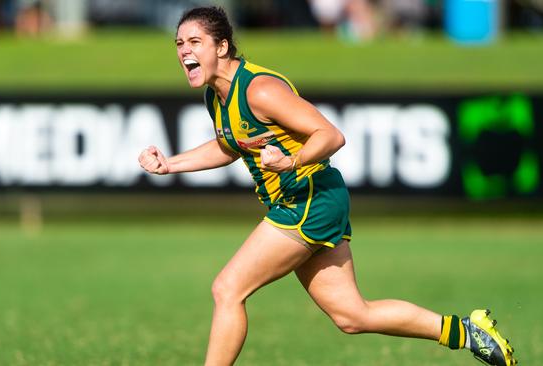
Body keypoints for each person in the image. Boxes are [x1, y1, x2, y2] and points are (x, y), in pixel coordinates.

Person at [138, 6, 517, 366]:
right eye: (179, 44)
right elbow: (230, 145)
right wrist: (171, 164)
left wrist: (291, 161)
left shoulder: (259, 90)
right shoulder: (216, 96)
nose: (184, 51)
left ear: (221, 47)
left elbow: (331, 135)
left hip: (308, 199)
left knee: (227, 289)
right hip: (310, 201)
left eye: (194, 42)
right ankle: (469, 333)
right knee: (352, 315)